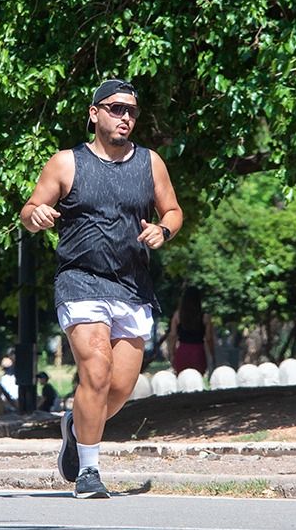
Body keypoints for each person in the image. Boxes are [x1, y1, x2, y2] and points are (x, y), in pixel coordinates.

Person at [20, 79, 183, 499]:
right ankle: (89, 471)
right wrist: (36, 215)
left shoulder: (150, 163)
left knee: (120, 386)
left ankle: (76, 428)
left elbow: (173, 209)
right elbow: (30, 208)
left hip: (132, 285)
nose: (125, 117)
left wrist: (164, 230)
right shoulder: (66, 163)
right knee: (95, 371)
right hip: (80, 280)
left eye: (131, 111)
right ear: (94, 113)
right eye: (115, 108)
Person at [167, 286, 215, 374]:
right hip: (198, 352)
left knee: (182, 379)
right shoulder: (205, 317)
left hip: (182, 350)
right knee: (197, 380)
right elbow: (209, 338)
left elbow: (173, 335)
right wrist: (212, 354)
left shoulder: (178, 315)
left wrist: (172, 353)